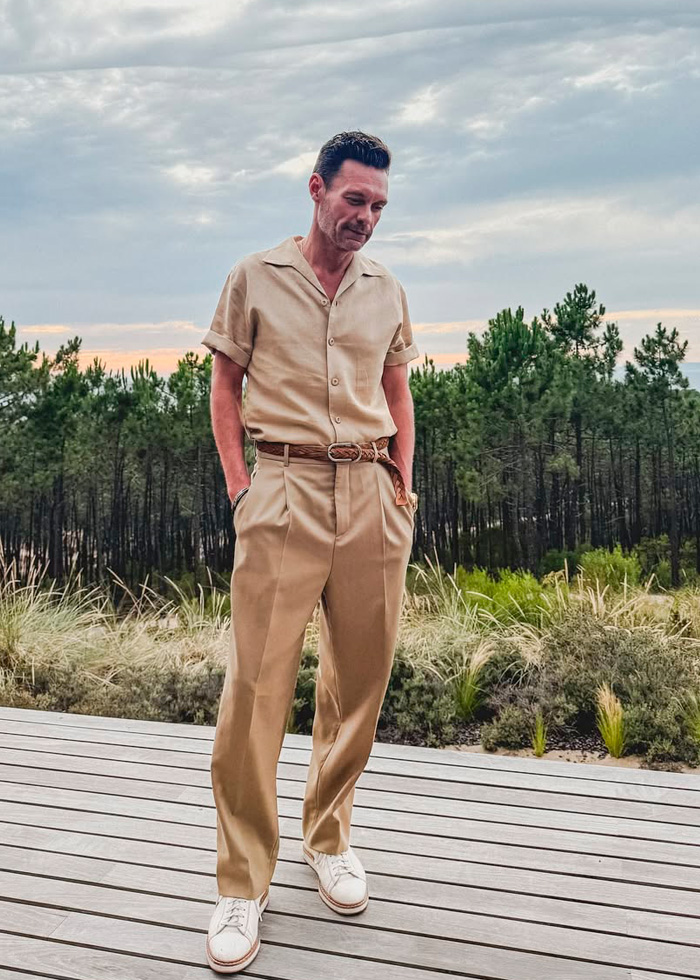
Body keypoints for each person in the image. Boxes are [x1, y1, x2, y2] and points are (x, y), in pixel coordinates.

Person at [201, 130, 420, 974]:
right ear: (317, 189)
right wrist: (239, 485)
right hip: (281, 487)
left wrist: (404, 485)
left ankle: (328, 837)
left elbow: (398, 387)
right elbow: (224, 382)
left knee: (359, 679)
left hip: (371, 491)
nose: (365, 217)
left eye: (378, 207)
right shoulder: (255, 277)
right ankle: (240, 882)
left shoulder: (386, 286)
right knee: (257, 685)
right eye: (354, 199)